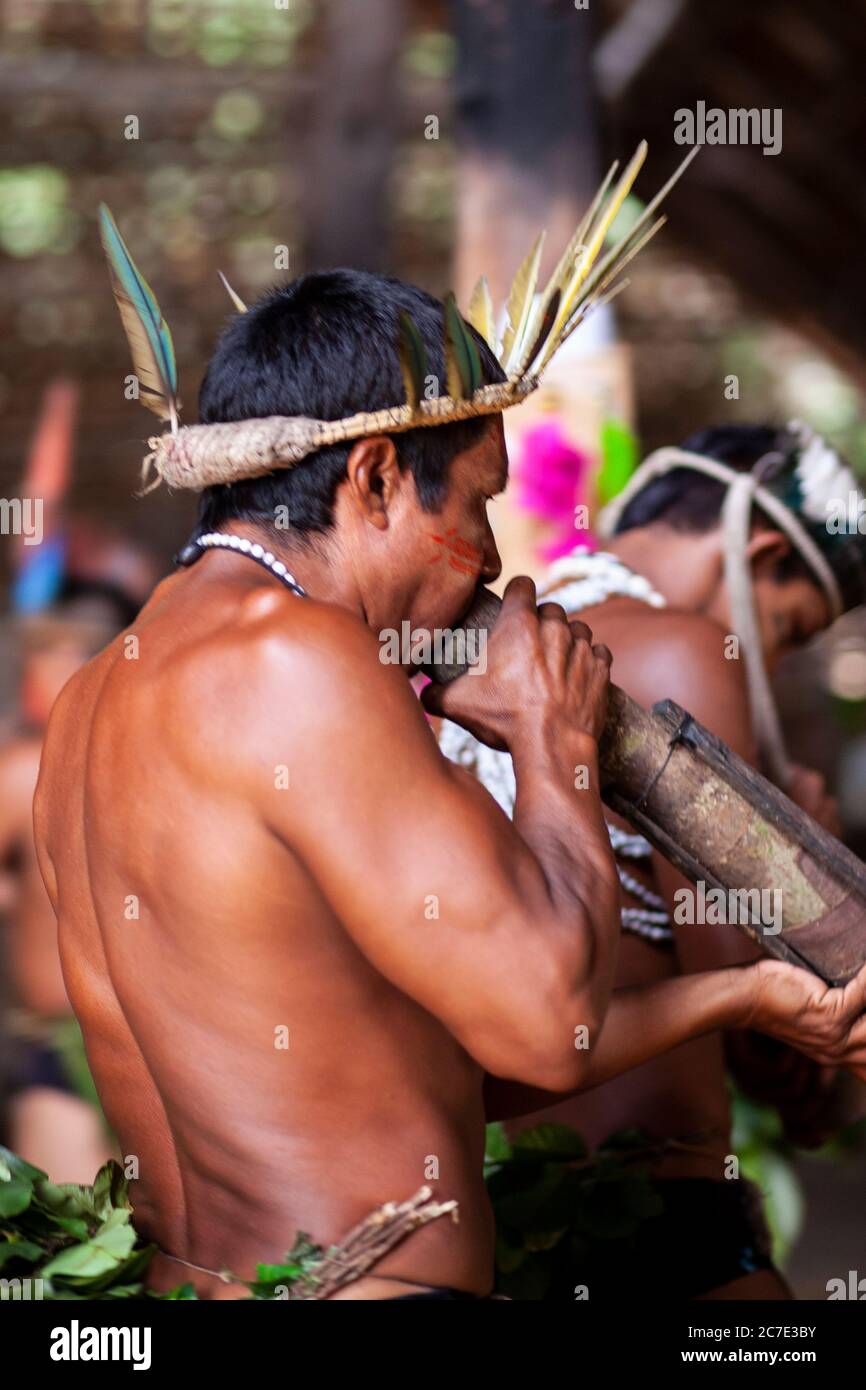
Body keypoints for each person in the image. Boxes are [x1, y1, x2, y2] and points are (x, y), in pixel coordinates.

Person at [34, 262, 866, 1300]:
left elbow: (426, 1069)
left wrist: (739, 994)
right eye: (476, 504)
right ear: (376, 478)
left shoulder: (90, 700)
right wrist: (549, 738)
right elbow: (546, 1024)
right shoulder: (304, 659)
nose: (483, 560)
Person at [440, 422, 866, 1299]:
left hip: (513, 1214)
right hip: (664, 1219)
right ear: (760, 550)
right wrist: (803, 854)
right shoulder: (686, 649)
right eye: (787, 629)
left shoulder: (513, 651)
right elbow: (766, 1043)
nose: (772, 662)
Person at [1, 585, 134, 1181]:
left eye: (48, 657)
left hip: (99, 1040)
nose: (32, 675)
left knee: (79, 1254)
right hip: (90, 1043)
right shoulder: (158, 762)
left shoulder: (26, 770)